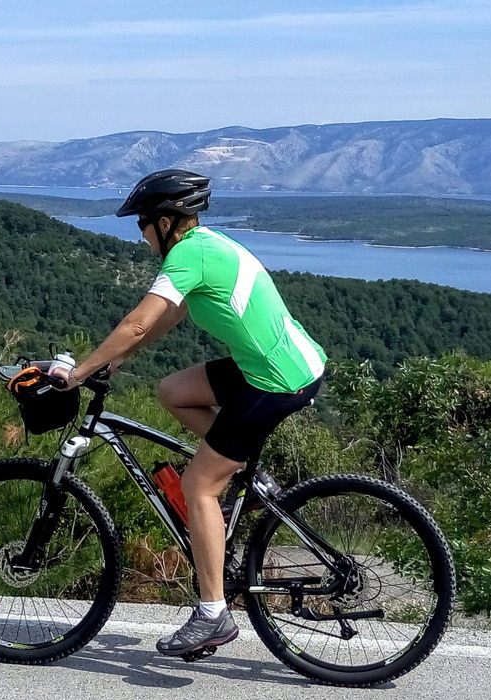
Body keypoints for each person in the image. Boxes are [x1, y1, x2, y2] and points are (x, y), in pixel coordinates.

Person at [53, 169, 327, 657]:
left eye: (141, 223)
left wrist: (80, 373)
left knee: (199, 483)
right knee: (173, 390)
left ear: (164, 221)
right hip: (274, 363)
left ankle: (213, 614)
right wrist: (116, 359)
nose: (139, 233)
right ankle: (246, 473)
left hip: (277, 378)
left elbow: (138, 322)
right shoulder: (202, 246)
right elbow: (170, 316)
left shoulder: (189, 253)